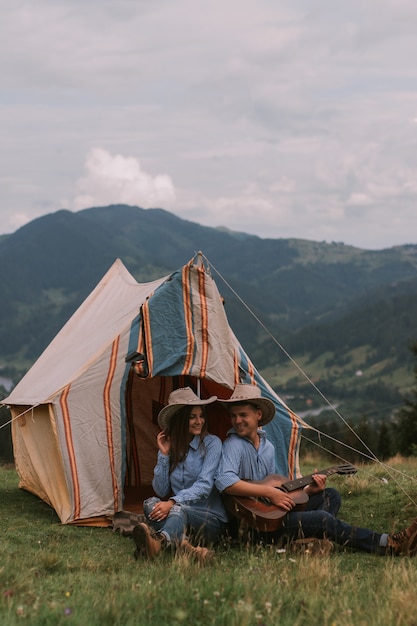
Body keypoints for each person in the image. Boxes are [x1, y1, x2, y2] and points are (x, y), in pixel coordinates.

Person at [215, 383, 417, 556]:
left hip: (270, 515)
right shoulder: (234, 444)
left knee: (330, 496)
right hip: (252, 525)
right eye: (234, 416)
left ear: (258, 415)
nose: (237, 420)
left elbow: (276, 487)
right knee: (322, 518)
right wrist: (269, 493)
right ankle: (387, 543)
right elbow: (225, 482)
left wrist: (306, 492)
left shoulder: (268, 447)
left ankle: (306, 541)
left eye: (243, 415)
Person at [132, 387, 228, 564]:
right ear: (180, 419)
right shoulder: (173, 446)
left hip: (211, 520)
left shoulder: (212, 444)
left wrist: (172, 502)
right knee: (150, 504)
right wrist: (164, 455)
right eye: (192, 416)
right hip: (180, 516)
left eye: (201, 416)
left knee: (177, 509)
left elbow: (205, 486)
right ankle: (187, 547)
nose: (199, 421)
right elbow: (161, 489)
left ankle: (159, 543)